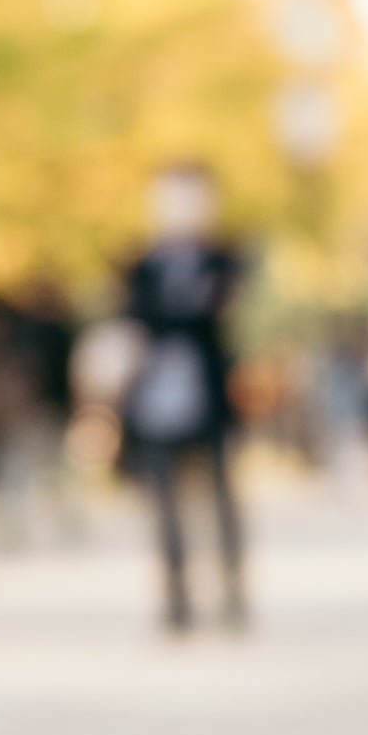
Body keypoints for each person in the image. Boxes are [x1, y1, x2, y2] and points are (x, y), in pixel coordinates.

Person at [110, 159, 249, 634]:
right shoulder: (140, 266)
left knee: (220, 494)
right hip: (154, 396)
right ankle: (176, 591)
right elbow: (133, 323)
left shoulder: (225, 259)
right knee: (164, 498)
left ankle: (232, 585)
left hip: (207, 394)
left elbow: (222, 317)